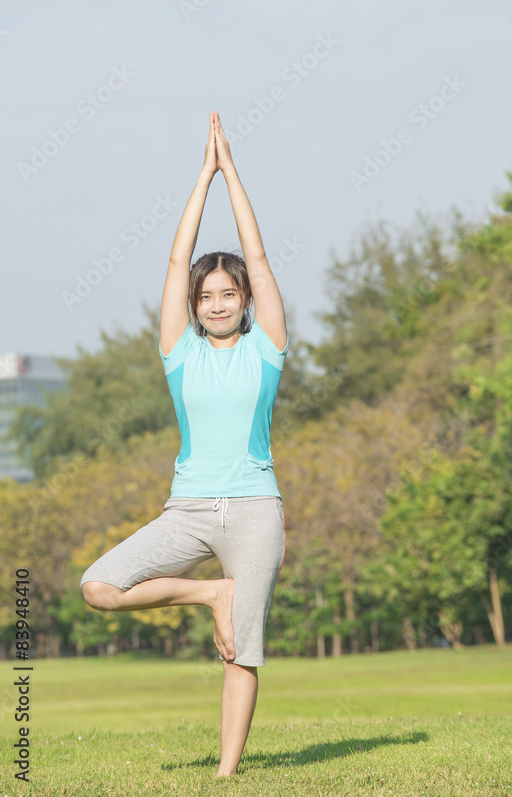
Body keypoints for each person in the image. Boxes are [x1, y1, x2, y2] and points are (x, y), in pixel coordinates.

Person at [80, 110, 289, 777]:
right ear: (194, 306)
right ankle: (209, 596)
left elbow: (257, 256)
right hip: (190, 509)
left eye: (228, 294)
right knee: (98, 586)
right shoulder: (178, 354)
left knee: (242, 653)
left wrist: (236, 174)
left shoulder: (267, 350)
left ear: (245, 300)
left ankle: (226, 775)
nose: (217, 303)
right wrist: (203, 175)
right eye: (206, 296)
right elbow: (175, 260)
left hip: (256, 510)